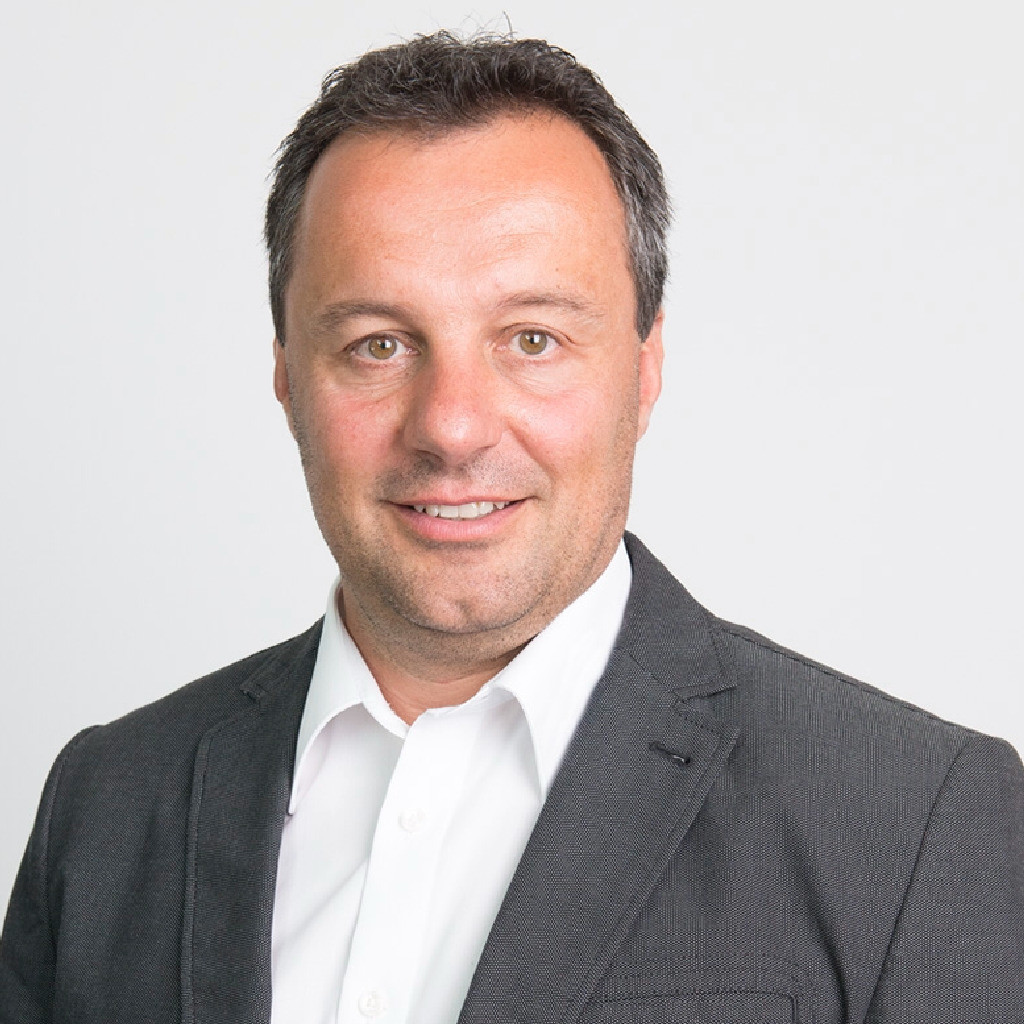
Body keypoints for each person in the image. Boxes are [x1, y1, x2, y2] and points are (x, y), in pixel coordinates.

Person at [1, 30, 1021, 1024]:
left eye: (532, 339)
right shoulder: (105, 806)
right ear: (285, 376)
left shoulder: (912, 822)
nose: (451, 426)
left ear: (645, 369)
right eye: (377, 344)